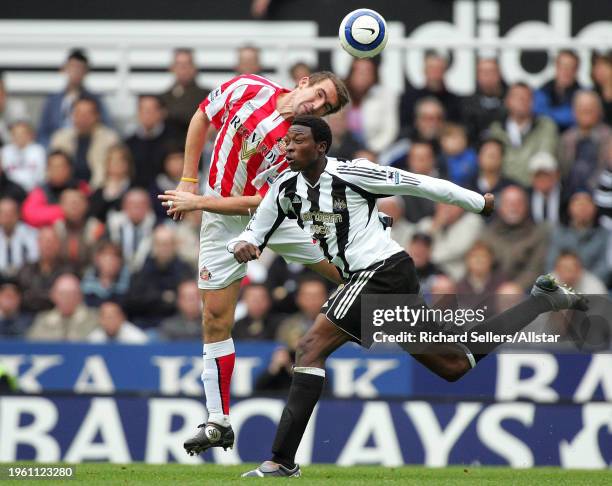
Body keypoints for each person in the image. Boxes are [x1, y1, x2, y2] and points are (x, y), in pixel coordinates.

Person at [227, 116, 585, 477]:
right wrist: (242, 245)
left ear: (321, 147)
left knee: (309, 347)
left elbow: (418, 184)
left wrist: (478, 202)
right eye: (286, 141)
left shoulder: (352, 174)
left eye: (298, 140)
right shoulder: (283, 188)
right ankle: (542, 300)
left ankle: (282, 461)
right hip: (375, 278)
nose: (287, 146)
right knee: (454, 365)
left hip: (381, 271)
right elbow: (254, 233)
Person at [157, 71, 350, 455]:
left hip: (274, 217)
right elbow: (201, 116)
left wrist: (198, 203)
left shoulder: (298, 143)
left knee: (350, 270)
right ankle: (217, 421)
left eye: (325, 108)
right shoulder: (248, 86)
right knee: (213, 317)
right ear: (303, 81)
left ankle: (417, 322)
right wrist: (188, 180)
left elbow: (261, 203)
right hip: (219, 215)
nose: (315, 106)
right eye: (318, 95)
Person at [488, 82, 559, 187]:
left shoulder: (546, 126)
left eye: (527, 97)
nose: (522, 100)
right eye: (517, 97)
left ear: (533, 102)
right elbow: (493, 163)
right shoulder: (496, 130)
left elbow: (544, 158)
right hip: (504, 191)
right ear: (507, 101)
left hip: (536, 188)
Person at [37, 48, 112, 147]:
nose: (76, 72)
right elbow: (42, 132)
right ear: (64, 69)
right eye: (73, 67)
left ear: (86, 71)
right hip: (57, 149)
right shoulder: (52, 101)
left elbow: (106, 127)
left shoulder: (95, 100)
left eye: (80, 68)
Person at [49, 96, 120, 188]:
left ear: (97, 116)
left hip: (99, 190)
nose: (83, 118)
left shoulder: (109, 139)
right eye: (78, 113)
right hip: (65, 192)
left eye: (87, 114)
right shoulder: (60, 138)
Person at [344, 58, 398, 153]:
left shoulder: (385, 96)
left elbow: (389, 131)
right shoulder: (339, 95)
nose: (362, 76)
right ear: (350, 73)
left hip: (375, 152)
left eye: (367, 72)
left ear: (374, 75)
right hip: (342, 150)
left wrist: (371, 150)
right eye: (358, 71)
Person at [125, 95, 180, 189]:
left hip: (167, 190)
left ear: (162, 112)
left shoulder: (175, 139)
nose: (146, 115)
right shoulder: (130, 143)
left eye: (150, 110)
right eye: (142, 110)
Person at [27, 273, 98, 341]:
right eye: (62, 294)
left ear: (80, 296)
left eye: (71, 294)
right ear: (53, 295)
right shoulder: (42, 320)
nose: (66, 298)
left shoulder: (94, 319)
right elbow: (30, 346)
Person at [159, 48, 210, 141]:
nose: (183, 68)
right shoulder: (163, 98)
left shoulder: (207, 96)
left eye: (187, 64)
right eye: (179, 64)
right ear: (172, 68)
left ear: (194, 68)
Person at [533, 50, 582, 131]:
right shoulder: (542, 92)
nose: (566, 71)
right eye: (563, 66)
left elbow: (575, 117)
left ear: (576, 70)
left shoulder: (583, 94)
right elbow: (536, 115)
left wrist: (548, 113)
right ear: (556, 66)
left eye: (571, 67)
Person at [462, 58, 507, 144]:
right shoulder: (466, 105)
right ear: (477, 76)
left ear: (499, 74)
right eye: (484, 72)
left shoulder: (509, 103)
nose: (488, 76)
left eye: (492, 71)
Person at [1, 121, 46, 191]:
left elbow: (41, 176)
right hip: (10, 190)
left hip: (32, 189)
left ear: (30, 135)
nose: (18, 137)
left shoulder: (38, 151)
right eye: (15, 134)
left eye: (22, 133)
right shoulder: (5, 151)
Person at [0, 197, 38, 278]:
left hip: (24, 278)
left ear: (18, 215)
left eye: (10, 214)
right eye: (4, 214)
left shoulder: (31, 234)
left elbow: (35, 258)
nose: (7, 218)